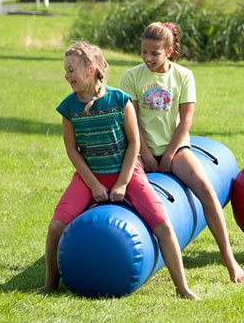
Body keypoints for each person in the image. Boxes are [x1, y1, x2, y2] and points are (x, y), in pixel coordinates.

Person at [39, 41, 199, 299]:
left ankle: (182, 288)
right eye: (65, 70)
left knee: (164, 227)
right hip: (90, 175)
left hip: (127, 171)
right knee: (56, 226)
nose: (66, 75)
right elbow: (72, 151)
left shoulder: (119, 100)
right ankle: (49, 284)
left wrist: (123, 183)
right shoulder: (68, 108)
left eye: (71, 70)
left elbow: (134, 143)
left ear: (90, 70)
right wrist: (93, 184)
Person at [120, 22, 244, 283]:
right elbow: (131, 123)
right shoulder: (131, 76)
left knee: (207, 191)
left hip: (176, 147)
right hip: (139, 148)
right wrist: (145, 154)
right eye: (143, 52)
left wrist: (168, 155)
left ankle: (228, 257)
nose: (147, 58)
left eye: (154, 53)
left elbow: (186, 121)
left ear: (169, 51)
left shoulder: (183, 76)